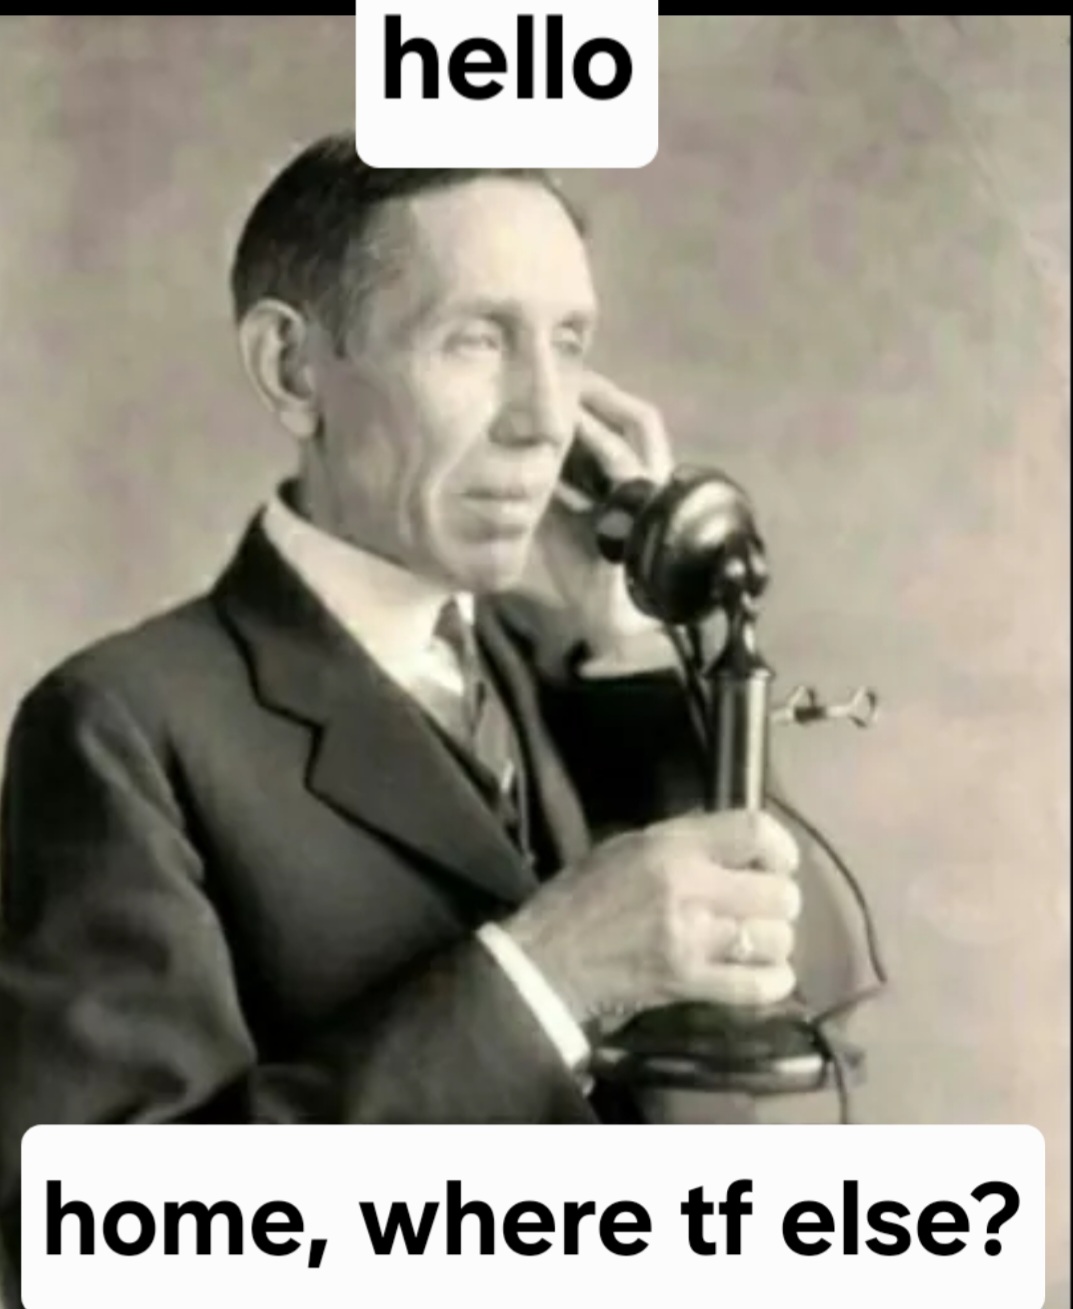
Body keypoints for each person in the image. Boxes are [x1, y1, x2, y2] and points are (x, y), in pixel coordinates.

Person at [0, 134, 874, 1298]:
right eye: (476, 339)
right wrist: (544, 977)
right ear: (292, 369)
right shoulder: (121, 724)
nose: (544, 418)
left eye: (569, 343)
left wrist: (627, 646)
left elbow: (808, 997)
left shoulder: (582, 671)